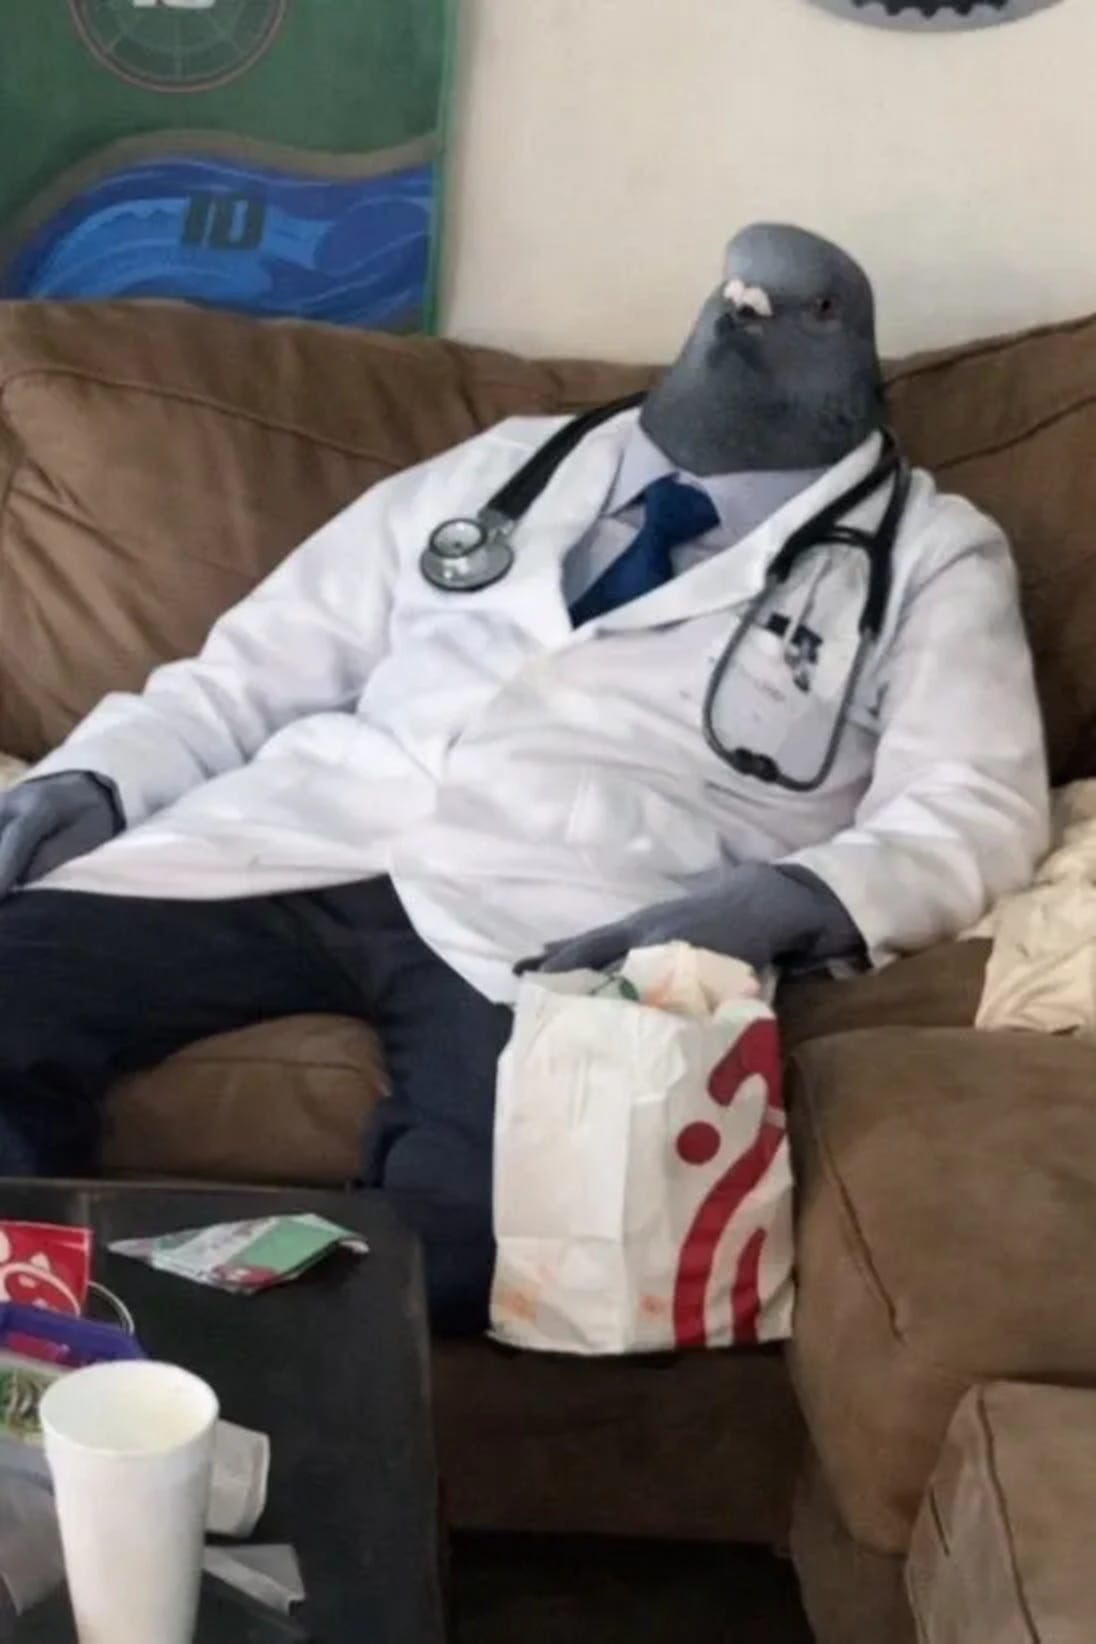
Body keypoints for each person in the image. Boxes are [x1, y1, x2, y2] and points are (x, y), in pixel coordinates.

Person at [0, 225, 1048, 1333]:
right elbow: (251, 670)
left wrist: (793, 900)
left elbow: (973, 804)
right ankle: (36, 1341)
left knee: (485, 1246)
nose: (747, 313)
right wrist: (100, 781)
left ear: (853, 351)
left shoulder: (929, 555)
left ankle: (180, 1363)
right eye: (738, 290)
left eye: (799, 308)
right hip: (293, 837)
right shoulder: (509, 462)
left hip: (560, 918)